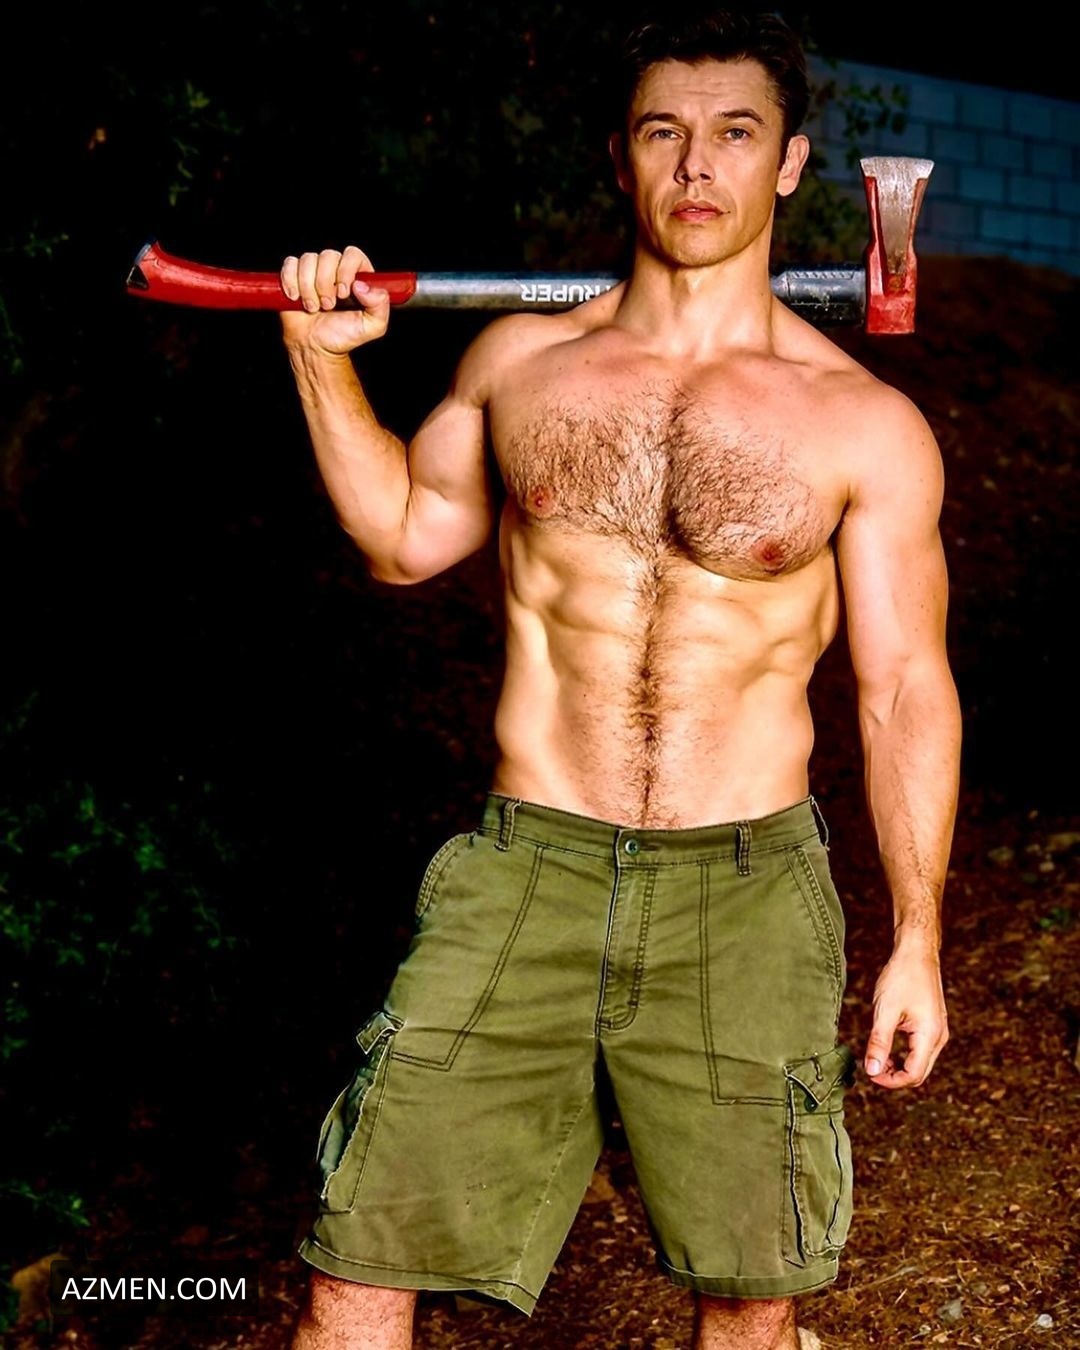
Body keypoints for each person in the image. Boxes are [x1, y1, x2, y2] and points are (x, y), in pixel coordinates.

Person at [279, 8, 959, 1348]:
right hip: (525, 868)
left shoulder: (862, 424)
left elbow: (903, 691)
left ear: (789, 163)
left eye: (735, 133)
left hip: (744, 892)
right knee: (356, 1269)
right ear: (620, 156)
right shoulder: (521, 365)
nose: (696, 165)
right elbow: (403, 536)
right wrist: (317, 357)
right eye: (664, 132)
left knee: (748, 1299)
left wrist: (919, 936)